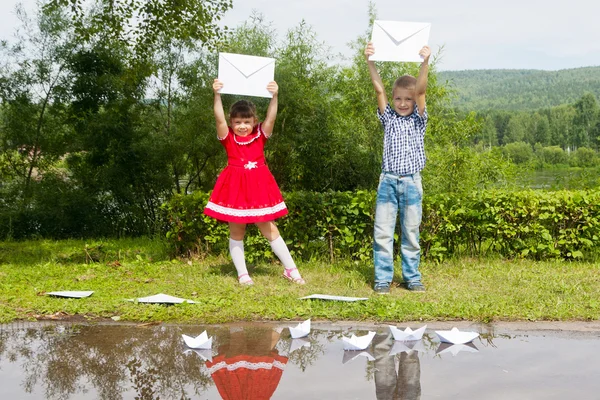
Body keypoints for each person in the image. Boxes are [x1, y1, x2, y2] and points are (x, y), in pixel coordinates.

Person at [204, 79, 305, 286]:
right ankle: (243, 274)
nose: (242, 126)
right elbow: (219, 118)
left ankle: (291, 269)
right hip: (235, 187)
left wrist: (275, 95)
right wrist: (217, 95)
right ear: (232, 123)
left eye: (247, 122)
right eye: (238, 122)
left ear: (254, 121)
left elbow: (271, 117)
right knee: (237, 230)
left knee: (269, 228)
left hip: (258, 186)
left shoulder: (260, 135)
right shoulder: (227, 136)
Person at [364, 41, 431, 294]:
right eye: (398, 98)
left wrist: (424, 63)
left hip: (412, 182)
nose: (403, 103)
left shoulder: (418, 120)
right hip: (388, 181)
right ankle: (383, 278)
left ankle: (412, 277)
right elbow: (378, 90)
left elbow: (422, 91)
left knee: (410, 232)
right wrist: (370, 61)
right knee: (382, 232)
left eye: (408, 99)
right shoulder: (388, 118)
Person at [205, 326, 288, 400]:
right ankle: (278, 326)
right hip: (258, 393)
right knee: (263, 354)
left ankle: (236, 323)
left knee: (237, 354)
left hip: (236, 393)